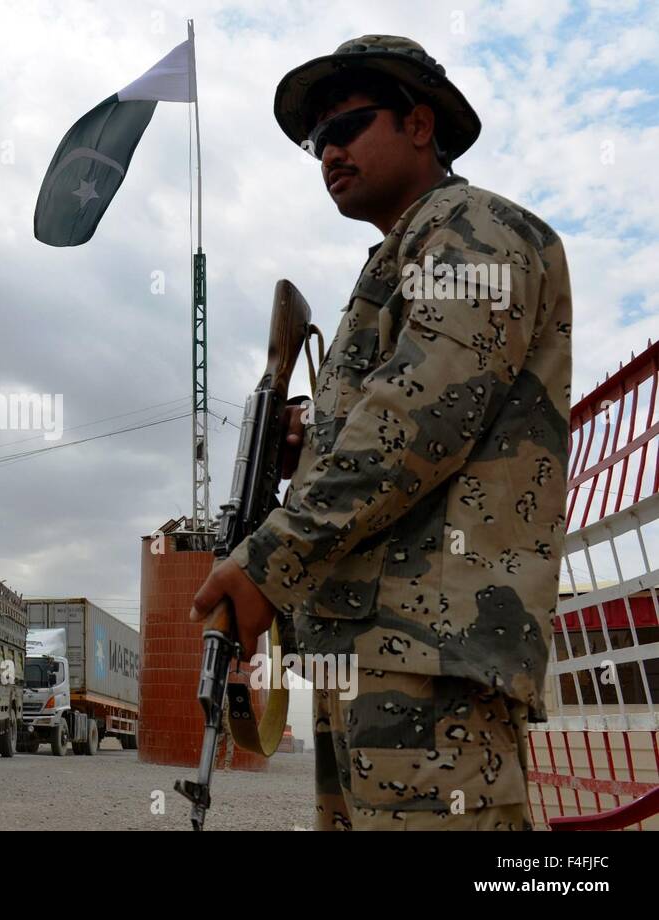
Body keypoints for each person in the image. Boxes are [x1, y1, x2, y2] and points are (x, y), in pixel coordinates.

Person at [191, 35, 571, 830]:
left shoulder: (472, 226)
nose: (328, 150)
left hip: (430, 652)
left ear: (420, 124)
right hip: (372, 650)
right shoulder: (400, 257)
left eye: (349, 125)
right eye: (314, 141)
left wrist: (269, 563)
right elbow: (399, 410)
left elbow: (417, 420)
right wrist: (307, 435)